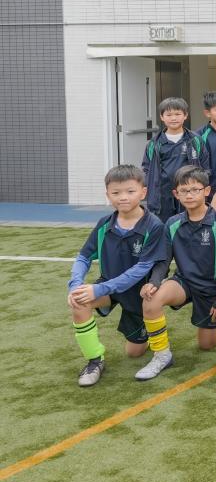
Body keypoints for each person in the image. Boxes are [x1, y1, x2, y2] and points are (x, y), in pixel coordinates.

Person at [66, 165, 167, 386]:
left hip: (139, 294)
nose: (123, 197)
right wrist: (75, 284)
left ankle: (149, 333)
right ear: (108, 195)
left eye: (130, 192)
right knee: (79, 301)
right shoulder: (104, 224)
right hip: (109, 288)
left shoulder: (154, 226)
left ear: (143, 192)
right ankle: (94, 361)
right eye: (116, 193)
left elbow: (141, 269)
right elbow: (83, 257)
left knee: (134, 352)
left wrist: (100, 288)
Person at [136, 166, 216, 380]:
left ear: (207, 191)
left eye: (195, 189)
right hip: (184, 282)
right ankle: (162, 356)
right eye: (184, 190)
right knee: (151, 299)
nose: (189, 195)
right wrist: (154, 281)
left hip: (211, 287)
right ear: (176, 194)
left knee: (206, 345)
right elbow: (164, 259)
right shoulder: (172, 224)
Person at [142, 97, 209, 219]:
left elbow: (205, 167)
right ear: (162, 117)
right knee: (164, 229)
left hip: (188, 192)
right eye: (169, 114)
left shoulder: (195, 140)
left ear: (185, 116)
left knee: (189, 224)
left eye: (178, 114)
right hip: (162, 195)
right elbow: (147, 169)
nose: (173, 118)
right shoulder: (154, 143)